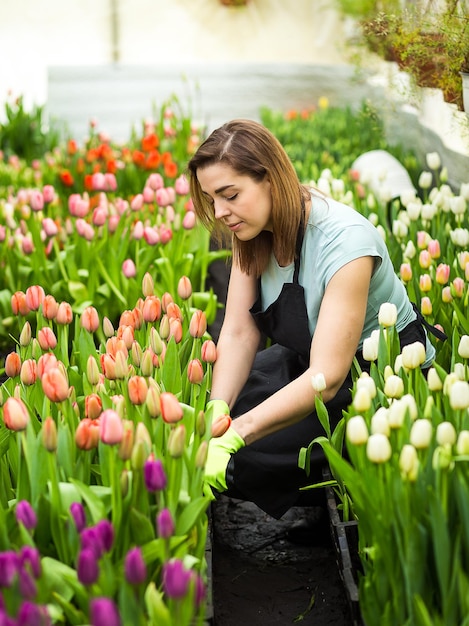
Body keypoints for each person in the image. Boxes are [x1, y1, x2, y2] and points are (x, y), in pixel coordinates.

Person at [187, 119, 441, 523]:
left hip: (371, 381)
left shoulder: (345, 243)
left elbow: (328, 378)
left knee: (249, 452)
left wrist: (237, 435)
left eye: (230, 195)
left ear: (270, 179)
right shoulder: (250, 231)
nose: (220, 213)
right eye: (210, 199)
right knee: (197, 414)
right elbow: (237, 331)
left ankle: (334, 488)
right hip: (307, 360)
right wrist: (219, 412)